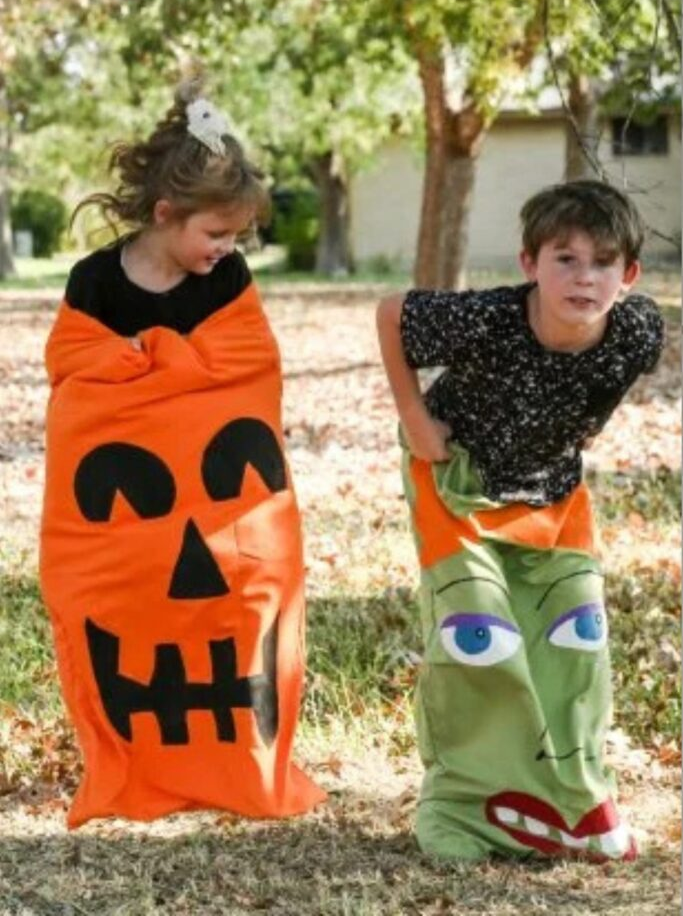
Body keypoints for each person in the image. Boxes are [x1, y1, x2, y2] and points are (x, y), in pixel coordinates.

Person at [40, 79, 325, 828]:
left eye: (236, 237)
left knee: (239, 611)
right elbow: (75, 374)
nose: (226, 249)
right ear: (165, 214)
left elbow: (247, 368)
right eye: (216, 233)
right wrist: (148, 363)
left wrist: (156, 356)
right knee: (130, 614)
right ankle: (140, 771)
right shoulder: (95, 281)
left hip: (219, 497)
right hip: (135, 509)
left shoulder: (226, 280)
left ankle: (237, 766)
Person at [376, 179, 664, 862]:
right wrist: (415, 419)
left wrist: (586, 425)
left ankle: (572, 802)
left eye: (602, 262)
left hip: (552, 497)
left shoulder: (636, 330)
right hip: (456, 484)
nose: (584, 277)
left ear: (627, 276)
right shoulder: (489, 319)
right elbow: (391, 314)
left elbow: (611, 380)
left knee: (576, 638)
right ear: (529, 263)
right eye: (565, 259)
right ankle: (465, 806)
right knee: (481, 636)